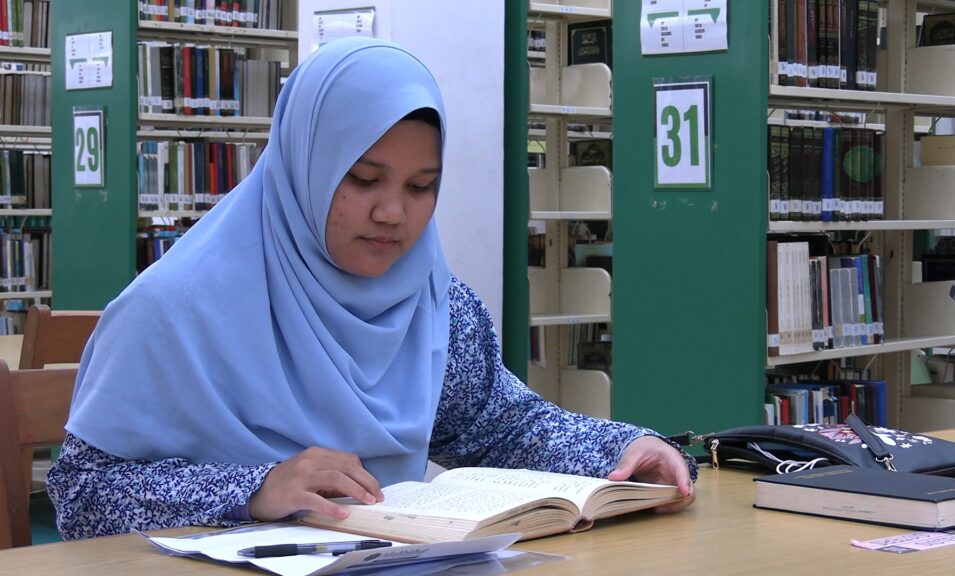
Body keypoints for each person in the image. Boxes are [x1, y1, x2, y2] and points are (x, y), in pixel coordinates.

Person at [48, 37, 697, 539]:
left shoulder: (432, 302)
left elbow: (498, 426)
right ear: (305, 165)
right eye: (363, 179)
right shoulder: (171, 310)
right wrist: (255, 489)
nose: (393, 213)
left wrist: (622, 449)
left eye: (421, 187)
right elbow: (81, 495)